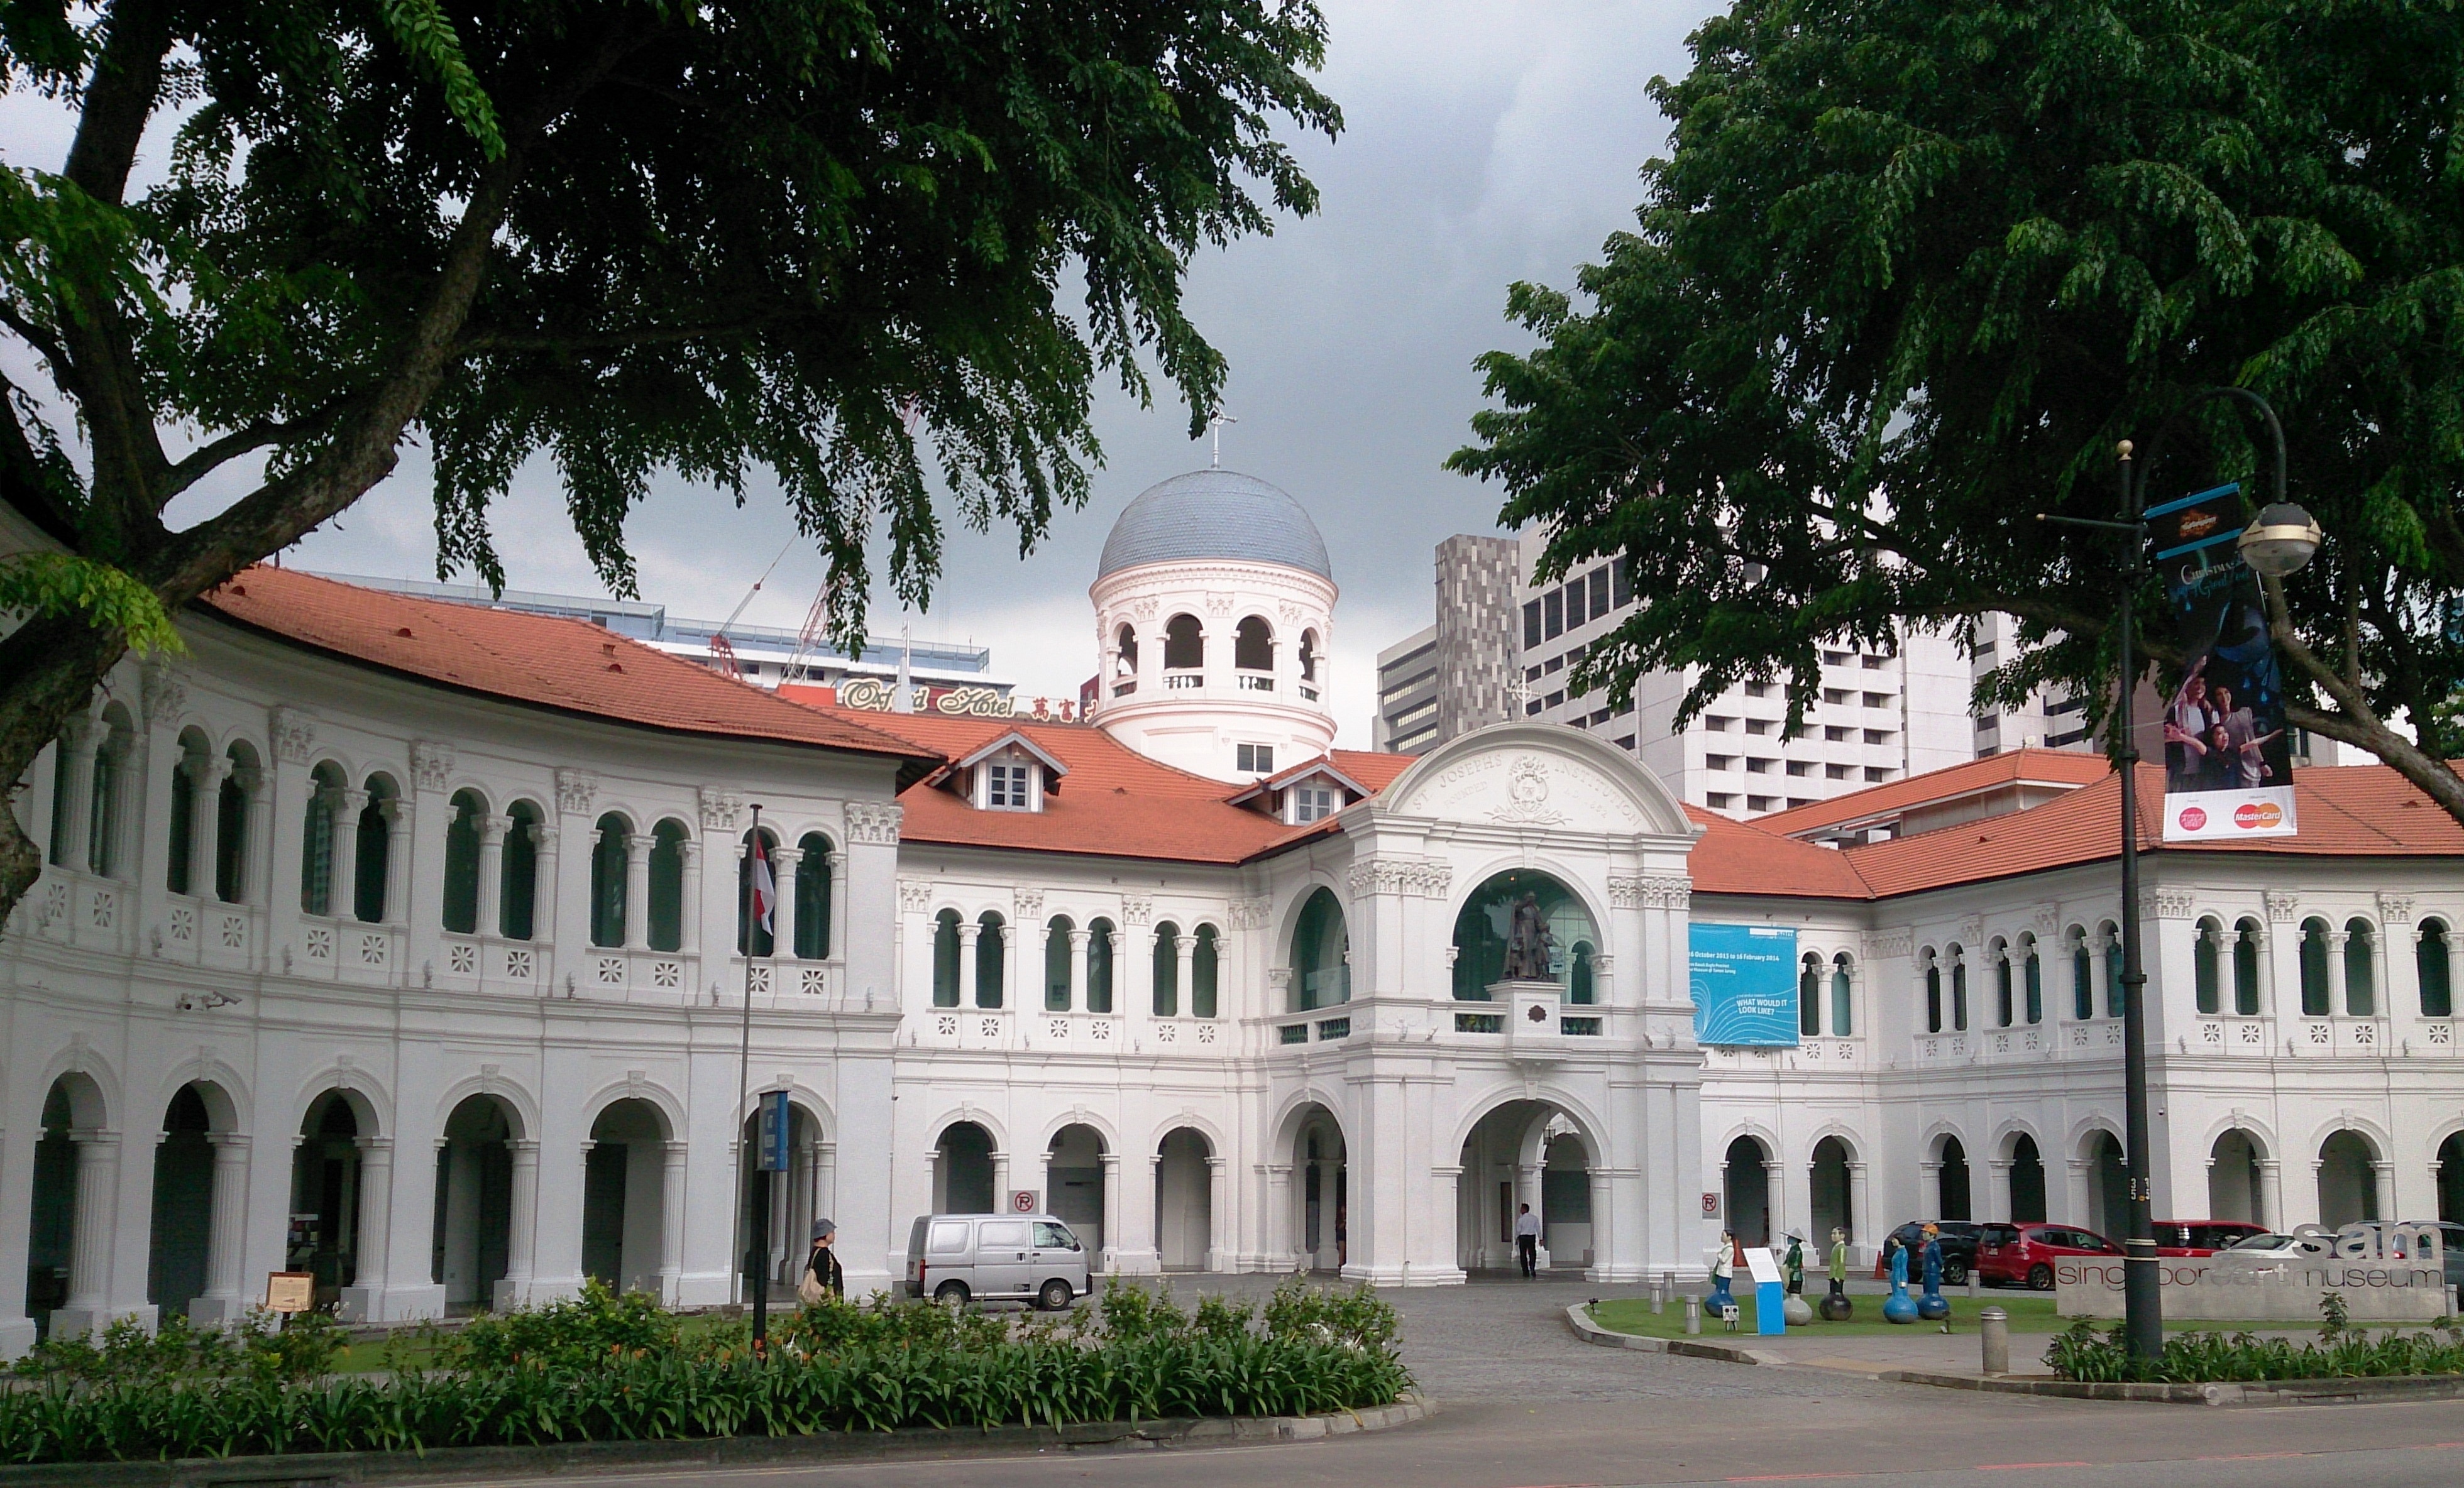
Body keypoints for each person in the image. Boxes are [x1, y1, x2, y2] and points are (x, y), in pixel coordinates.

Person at [797, 1218, 844, 1305]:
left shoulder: (816, 1252)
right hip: (826, 1301)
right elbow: (823, 1277)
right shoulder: (824, 1254)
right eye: (832, 1232)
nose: (834, 1235)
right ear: (825, 1234)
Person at [1515, 1201, 1542, 1277]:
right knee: (1532, 1253)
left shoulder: (1521, 1220)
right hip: (1531, 1237)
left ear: (1524, 1209)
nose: (1520, 1210)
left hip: (1523, 1237)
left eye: (1521, 1209)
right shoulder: (1534, 1218)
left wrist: (1516, 1238)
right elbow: (1538, 1229)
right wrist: (1541, 1238)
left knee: (1523, 1255)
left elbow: (1518, 1230)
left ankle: (1525, 1271)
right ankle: (1532, 1268)